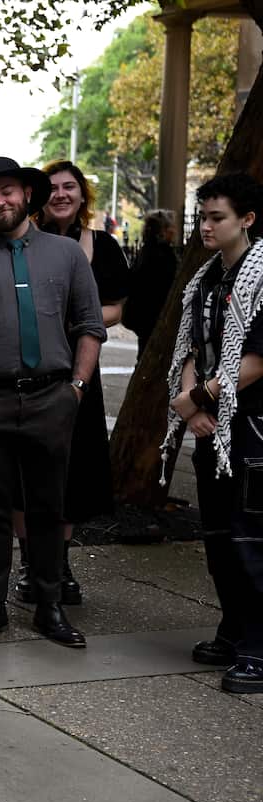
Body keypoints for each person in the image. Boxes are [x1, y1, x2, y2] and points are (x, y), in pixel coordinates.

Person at [0, 156, 105, 648]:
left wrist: (77, 388)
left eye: (7, 192)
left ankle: (49, 605)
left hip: (52, 397)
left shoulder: (66, 255)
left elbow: (90, 324)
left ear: (26, 194)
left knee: (48, 507)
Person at [161, 173, 263, 695]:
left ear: (246, 219)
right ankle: (232, 628)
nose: (205, 226)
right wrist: (191, 408)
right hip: (211, 427)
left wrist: (198, 399)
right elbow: (192, 352)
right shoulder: (205, 279)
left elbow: (254, 362)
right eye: (202, 216)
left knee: (251, 538)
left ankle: (257, 646)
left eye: (216, 217)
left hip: (252, 430)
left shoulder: (262, 276)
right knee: (219, 537)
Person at [16, 160, 129, 606]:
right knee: (24, 472)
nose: (62, 194)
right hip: (29, 369)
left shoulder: (103, 245)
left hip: (80, 373)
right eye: (54, 187)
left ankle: (58, 565)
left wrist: (68, 315)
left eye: (70, 187)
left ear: (83, 195)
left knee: (72, 473)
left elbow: (116, 310)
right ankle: (29, 564)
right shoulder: (22, 243)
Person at [123, 209, 180, 359]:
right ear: (164, 231)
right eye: (171, 228)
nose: (174, 231)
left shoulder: (146, 251)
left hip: (143, 315)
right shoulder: (164, 255)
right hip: (156, 316)